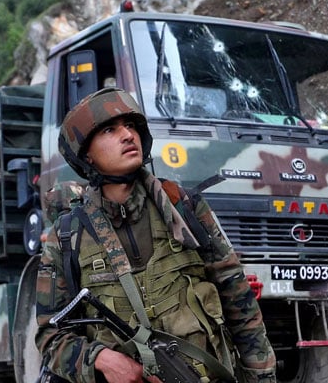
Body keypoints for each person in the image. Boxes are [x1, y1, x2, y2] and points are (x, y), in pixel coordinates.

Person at [35, 87, 276, 383]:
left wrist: (261, 376)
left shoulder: (183, 207)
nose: (127, 135)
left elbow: (238, 299)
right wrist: (100, 359)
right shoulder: (67, 236)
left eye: (131, 126)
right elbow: (50, 335)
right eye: (110, 130)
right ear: (87, 155)